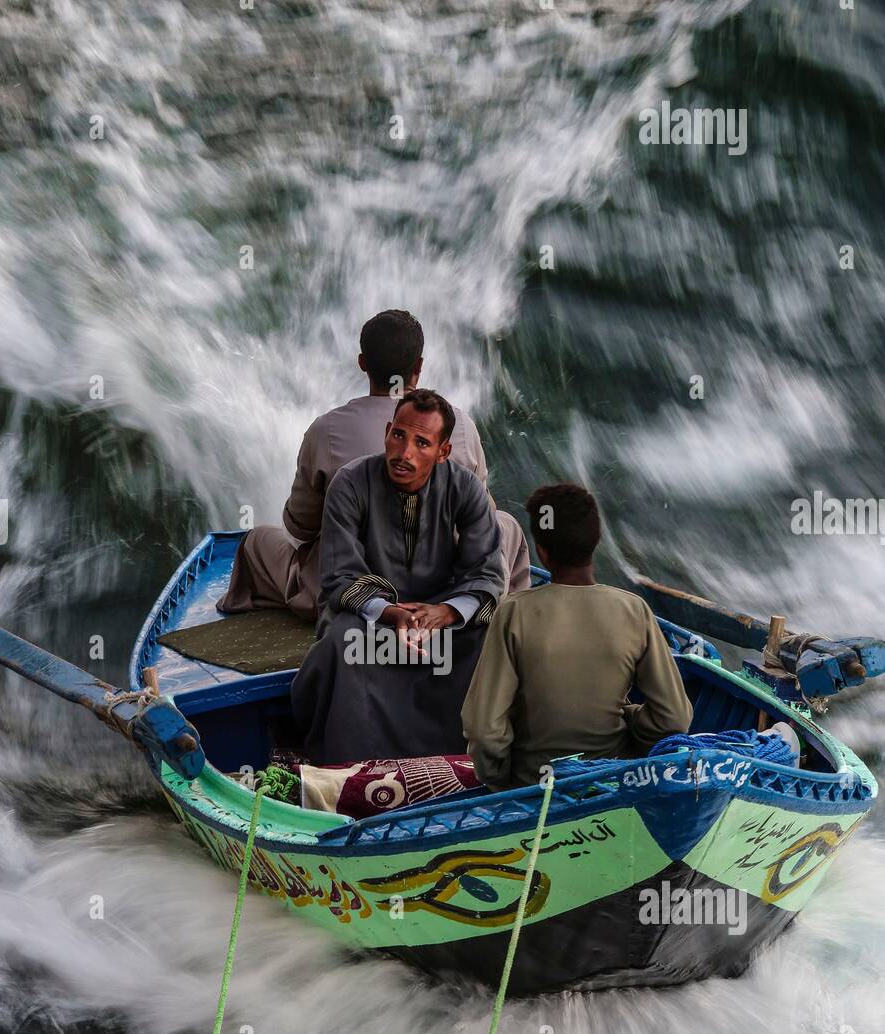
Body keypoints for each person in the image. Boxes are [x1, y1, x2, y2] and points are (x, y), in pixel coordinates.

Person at [217, 309, 529, 619]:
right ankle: (505, 620)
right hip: (446, 591)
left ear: (362, 363)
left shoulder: (326, 430)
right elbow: (483, 518)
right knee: (506, 524)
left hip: (350, 594)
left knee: (257, 541)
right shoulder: (458, 424)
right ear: (418, 366)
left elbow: (300, 525)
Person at [291, 389, 503, 763]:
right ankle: (351, 769)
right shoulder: (350, 482)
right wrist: (393, 614)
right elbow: (339, 578)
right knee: (342, 641)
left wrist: (446, 613)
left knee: (489, 640)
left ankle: (468, 761)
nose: (404, 453)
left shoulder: (466, 488)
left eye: (422, 443)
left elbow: (486, 571)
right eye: (399, 435)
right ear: (387, 431)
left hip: (441, 629)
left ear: (443, 453)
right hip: (371, 625)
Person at [461, 482, 693, 791]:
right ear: (595, 540)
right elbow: (674, 718)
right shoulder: (634, 610)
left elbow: (484, 729)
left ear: (541, 552)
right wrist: (631, 719)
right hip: (610, 781)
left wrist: (501, 781)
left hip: (534, 784)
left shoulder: (514, 612)